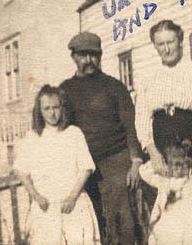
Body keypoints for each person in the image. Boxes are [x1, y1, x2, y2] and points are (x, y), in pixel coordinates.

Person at [60, 32, 143, 245]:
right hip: (83, 167)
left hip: (116, 160)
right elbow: (61, 132)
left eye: (93, 55)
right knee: (91, 221)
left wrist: (135, 162)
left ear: (100, 56)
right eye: (83, 55)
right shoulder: (65, 90)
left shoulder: (114, 87)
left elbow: (130, 126)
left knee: (123, 221)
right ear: (73, 57)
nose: (88, 60)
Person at [14, 85, 100, 245]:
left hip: (73, 204)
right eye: (46, 108)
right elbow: (20, 170)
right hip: (45, 207)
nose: (52, 113)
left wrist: (72, 197)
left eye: (55, 107)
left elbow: (86, 168)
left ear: (62, 108)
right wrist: (36, 196)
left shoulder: (73, 134)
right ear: (39, 110)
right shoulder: (33, 137)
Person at [136, 20, 192, 175]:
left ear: (180, 41)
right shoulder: (147, 78)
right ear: (154, 45)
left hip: (190, 143)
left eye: (171, 42)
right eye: (161, 44)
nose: (167, 49)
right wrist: (153, 153)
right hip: (159, 147)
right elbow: (142, 118)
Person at [138, 144, 192, 245]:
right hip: (168, 225)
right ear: (169, 165)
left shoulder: (191, 180)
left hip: (187, 223)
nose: (178, 169)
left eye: (182, 165)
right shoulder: (164, 181)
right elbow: (143, 171)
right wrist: (158, 163)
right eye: (175, 165)